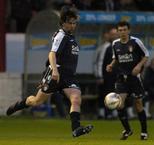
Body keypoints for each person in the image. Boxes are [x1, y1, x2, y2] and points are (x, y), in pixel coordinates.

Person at [6, 6, 93, 137]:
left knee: (75, 98)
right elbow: (52, 54)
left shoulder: (70, 37)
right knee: (36, 101)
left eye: (74, 22)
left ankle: (76, 129)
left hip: (68, 77)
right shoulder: (61, 35)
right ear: (63, 22)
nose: (73, 25)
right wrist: (55, 72)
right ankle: (18, 105)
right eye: (70, 22)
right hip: (55, 74)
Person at [106, 21, 149, 140]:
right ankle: (128, 130)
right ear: (118, 31)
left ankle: (144, 132)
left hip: (134, 79)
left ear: (128, 30)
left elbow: (146, 54)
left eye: (125, 30)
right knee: (119, 104)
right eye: (120, 30)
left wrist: (139, 66)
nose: (122, 32)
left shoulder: (136, 42)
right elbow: (116, 58)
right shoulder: (115, 44)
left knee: (138, 105)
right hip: (121, 79)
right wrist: (110, 65)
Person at [94, 27, 119, 119]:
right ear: (109, 35)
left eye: (116, 34)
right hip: (106, 76)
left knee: (115, 94)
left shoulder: (118, 46)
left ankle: (114, 113)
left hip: (115, 76)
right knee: (105, 94)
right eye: (112, 34)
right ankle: (104, 113)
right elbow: (100, 62)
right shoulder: (105, 47)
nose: (114, 36)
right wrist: (100, 76)